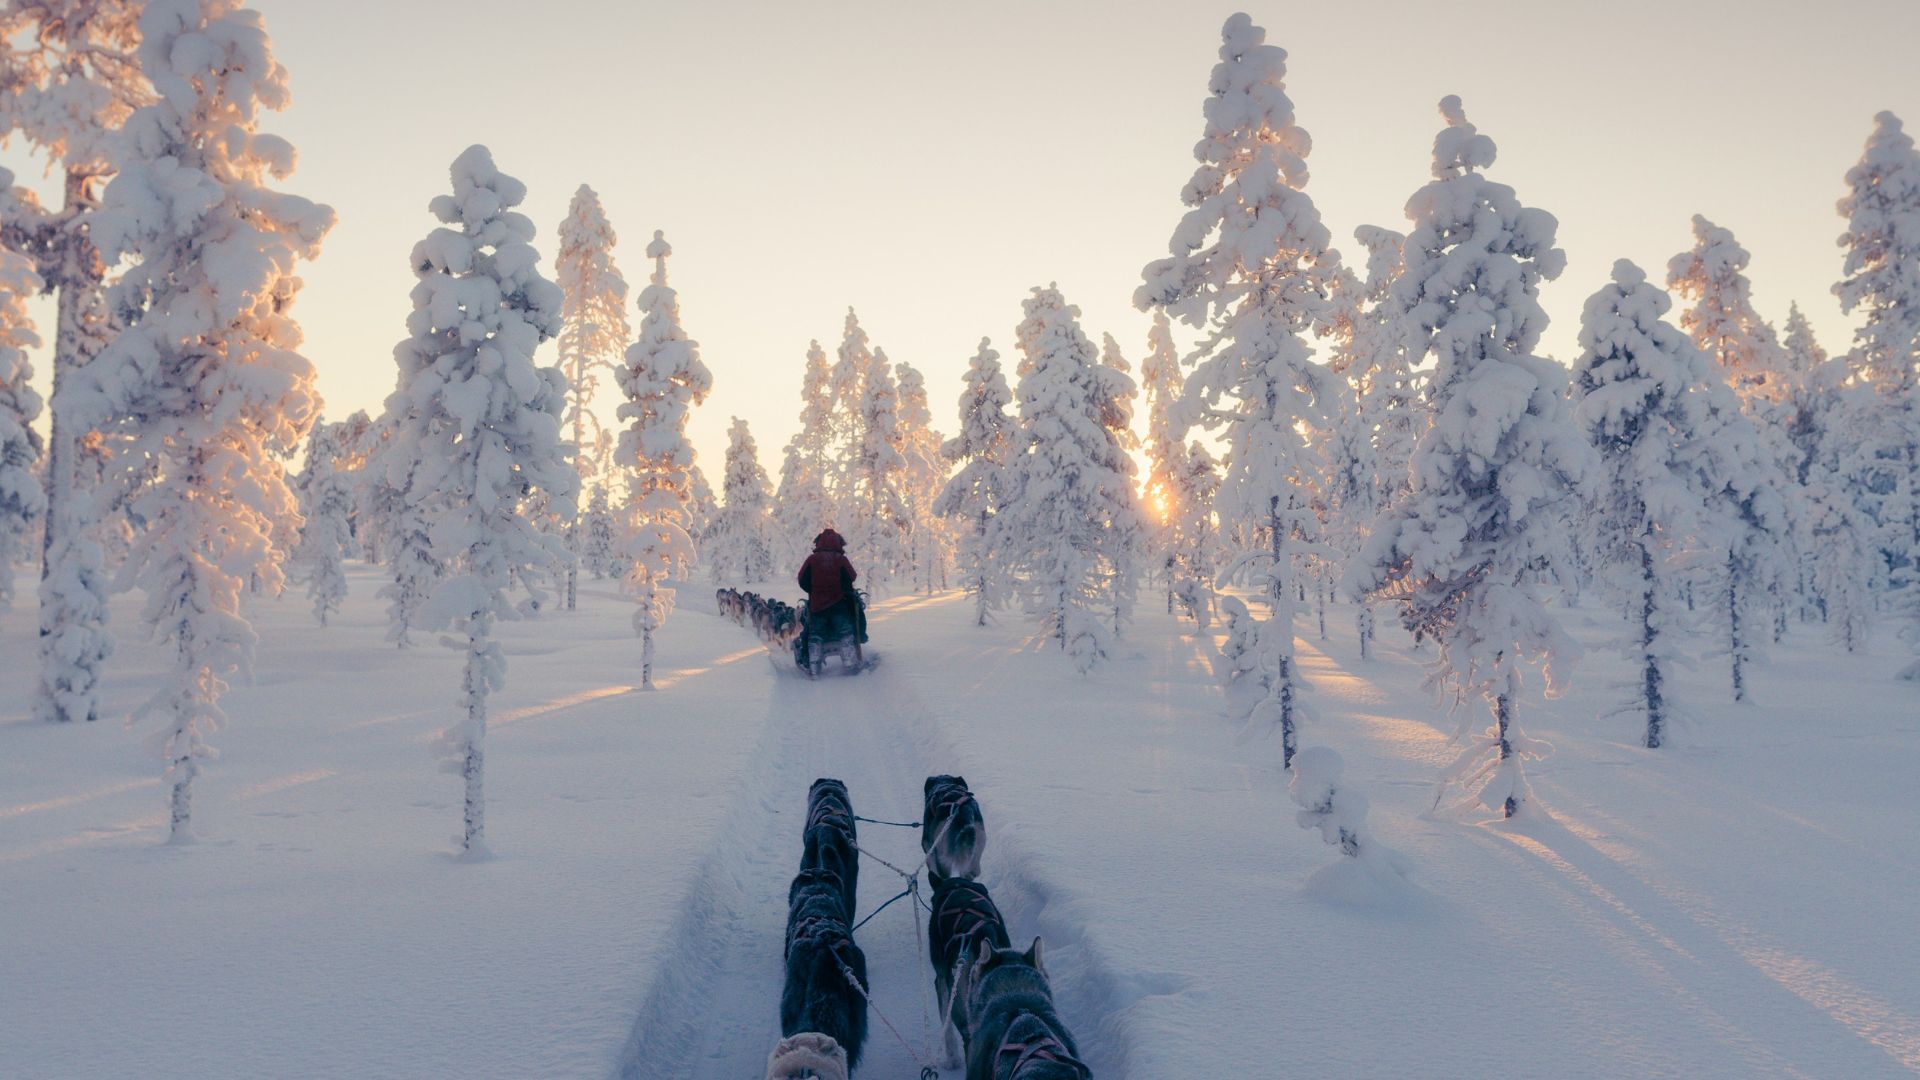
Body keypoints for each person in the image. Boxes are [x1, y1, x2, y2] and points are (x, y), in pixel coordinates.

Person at [797, 529, 865, 655]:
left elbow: (802, 579)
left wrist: (813, 591)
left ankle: (813, 656)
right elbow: (852, 576)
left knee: (815, 633)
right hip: (839, 604)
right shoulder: (841, 559)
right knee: (845, 631)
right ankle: (848, 653)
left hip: (817, 606)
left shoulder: (812, 559)